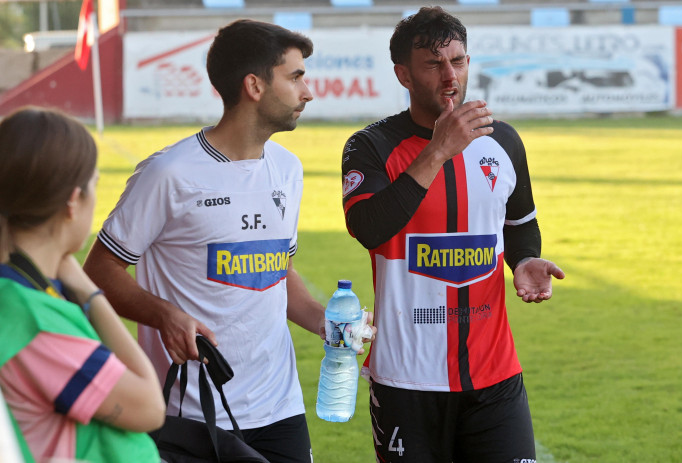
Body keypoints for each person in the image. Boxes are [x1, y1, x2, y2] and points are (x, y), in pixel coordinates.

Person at [83, 20, 373, 463]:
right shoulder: (169, 174)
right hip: (195, 416)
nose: (308, 92)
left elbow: (278, 273)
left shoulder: (288, 169)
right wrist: (164, 315)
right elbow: (98, 272)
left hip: (281, 411)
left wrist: (325, 323)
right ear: (254, 85)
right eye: (295, 77)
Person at [341, 6, 566, 462]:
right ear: (403, 74)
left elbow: (520, 224)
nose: (450, 76)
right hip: (408, 380)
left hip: (495, 376)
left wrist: (525, 260)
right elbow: (368, 229)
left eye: (458, 60)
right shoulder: (371, 146)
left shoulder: (501, 141)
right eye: (434, 64)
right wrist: (439, 149)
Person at [0, 106, 165, 463]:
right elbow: (150, 407)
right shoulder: (32, 321)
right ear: (73, 202)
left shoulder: (20, 290)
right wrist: (91, 294)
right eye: (94, 186)